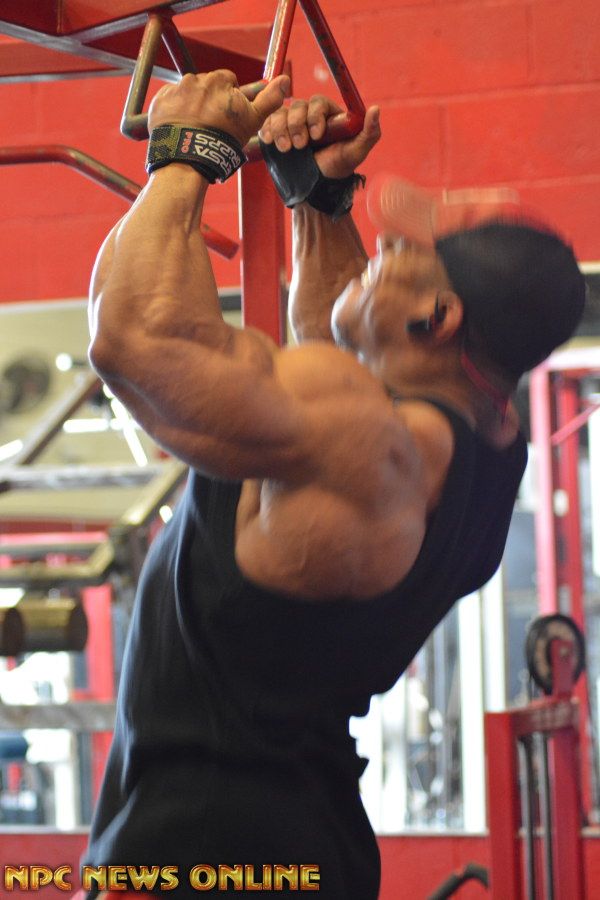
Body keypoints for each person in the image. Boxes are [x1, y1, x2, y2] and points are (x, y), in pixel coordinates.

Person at [80, 69, 585, 898]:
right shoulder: (486, 451)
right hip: (302, 845)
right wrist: (316, 199)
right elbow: (342, 354)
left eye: (399, 257)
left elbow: (136, 341)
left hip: (202, 857)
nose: (378, 255)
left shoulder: (368, 443)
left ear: (436, 319)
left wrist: (186, 153)